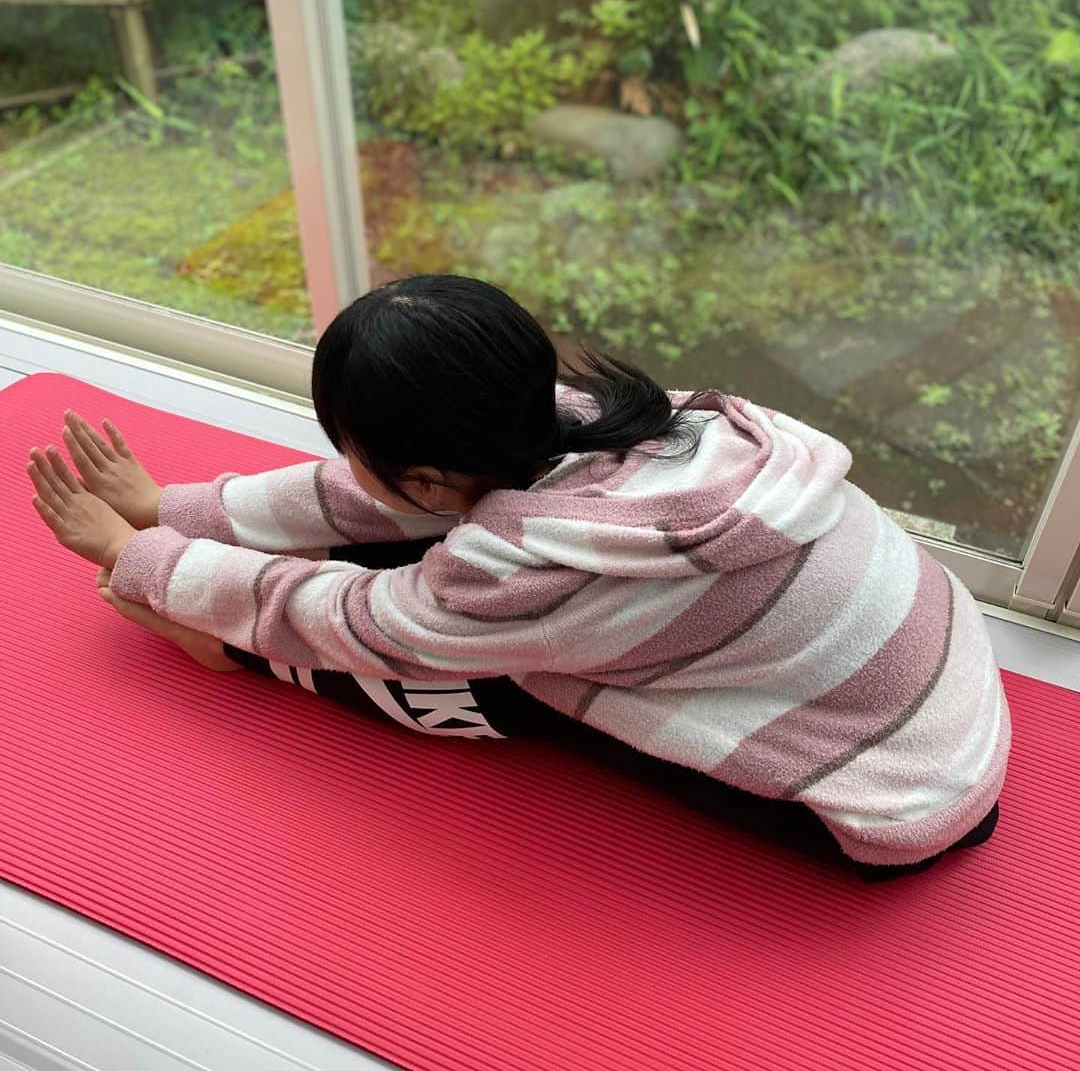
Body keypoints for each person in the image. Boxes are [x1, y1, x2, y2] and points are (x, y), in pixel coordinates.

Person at [27, 273, 1009, 882]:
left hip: (885, 802)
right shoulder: (609, 422)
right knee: (439, 573)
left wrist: (141, 561)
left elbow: (346, 619)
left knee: (509, 676)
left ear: (424, 469)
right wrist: (182, 509)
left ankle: (227, 652)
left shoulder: (529, 565)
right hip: (944, 685)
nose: (350, 464)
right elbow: (381, 499)